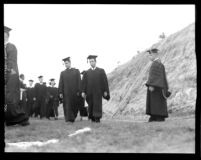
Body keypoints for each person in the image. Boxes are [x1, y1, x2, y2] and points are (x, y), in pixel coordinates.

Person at [4, 26, 29, 126]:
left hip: (11, 75)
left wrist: (7, 73)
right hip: (6, 75)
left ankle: (21, 119)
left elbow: (11, 62)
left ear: (6, 35)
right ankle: (9, 120)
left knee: (11, 100)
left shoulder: (11, 47)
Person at [81, 55, 110, 123]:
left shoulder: (101, 71)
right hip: (89, 92)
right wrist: (83, 91)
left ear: (95, 61)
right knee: (91, 105)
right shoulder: (86, 73)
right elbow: (84, 83)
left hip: (98, 92)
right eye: (90, 61)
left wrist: (105, 91)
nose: (91, 63)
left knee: (97, 104)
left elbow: (104, 81)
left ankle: (97, 118)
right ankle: (92, 118)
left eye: (93, 61)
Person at [145, 48, 170, 122]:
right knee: (156, 102)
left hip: (156, 87)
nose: (149, 57)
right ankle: (155, 117)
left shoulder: (156, 64)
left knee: (156, 102)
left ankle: (158, 117)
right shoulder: (158, 63)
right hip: (158, 86)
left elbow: (155, 76)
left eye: (150, 55)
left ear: (155, 55)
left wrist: (151, 85)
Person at [58, 57, 81, 123]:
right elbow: (61, 83)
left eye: (67, 63)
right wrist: (60, 92)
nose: (66, 64)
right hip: (66, 93)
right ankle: (68, 119)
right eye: (65, 63)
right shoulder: (63, 73)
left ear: (70, 63)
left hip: (74, 92)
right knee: (67, 106)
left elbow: (79, 81)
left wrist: (79, 91)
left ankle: (73, 117)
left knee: (74, 106)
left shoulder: (76, 71)